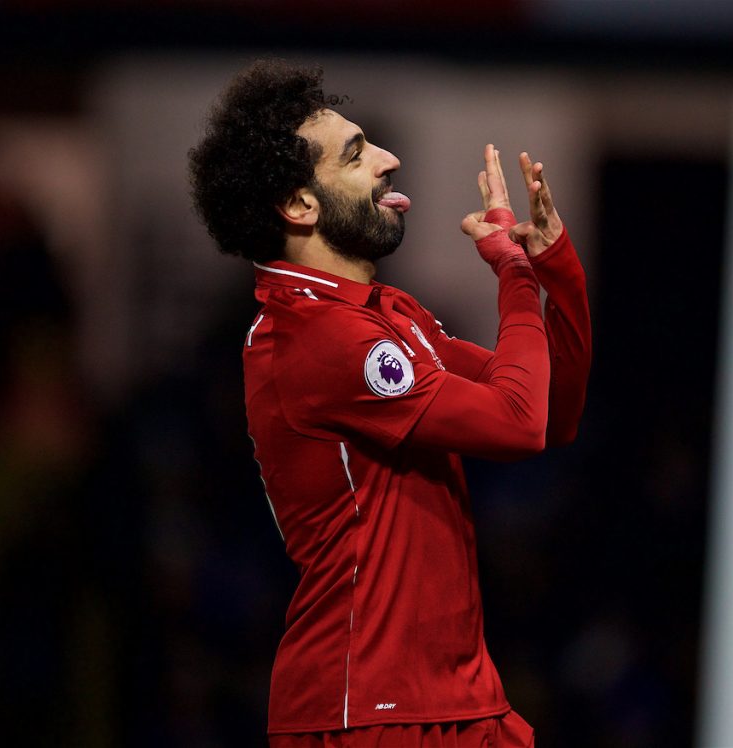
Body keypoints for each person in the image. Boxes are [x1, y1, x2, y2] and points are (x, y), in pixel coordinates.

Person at [188, 59, 591, 748]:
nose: (389, 160)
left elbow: (551, 414)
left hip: (459, 699)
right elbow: (518, 424)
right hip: (368, 709)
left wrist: (554, 265)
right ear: (300, 205)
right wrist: (516, 275)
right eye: (356, 154)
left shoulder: (385, 314)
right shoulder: (314, 337)